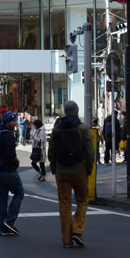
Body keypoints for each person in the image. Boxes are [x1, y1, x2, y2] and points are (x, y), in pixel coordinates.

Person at [48, 100, 95, 248]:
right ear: (76, 111)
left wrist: (54, 168)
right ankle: (77, 230)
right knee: (82, 201)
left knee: (65, 205)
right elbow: (90, 152)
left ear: (65, 112)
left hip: (62, 172)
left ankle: (66, 240)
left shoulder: (57, 129)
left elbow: (51, 152)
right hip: (79, 170)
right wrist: (88, 169)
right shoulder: (83, 128)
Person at [0, 109, 24, 236]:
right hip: (8, 171)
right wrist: (16, 160)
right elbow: (11, 154)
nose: (16, 123)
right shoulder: (8, 136)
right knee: (19, 192)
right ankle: (9, 221)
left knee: (2, 198)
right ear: (7, 122)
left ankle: (3, 228)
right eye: (13, 120)